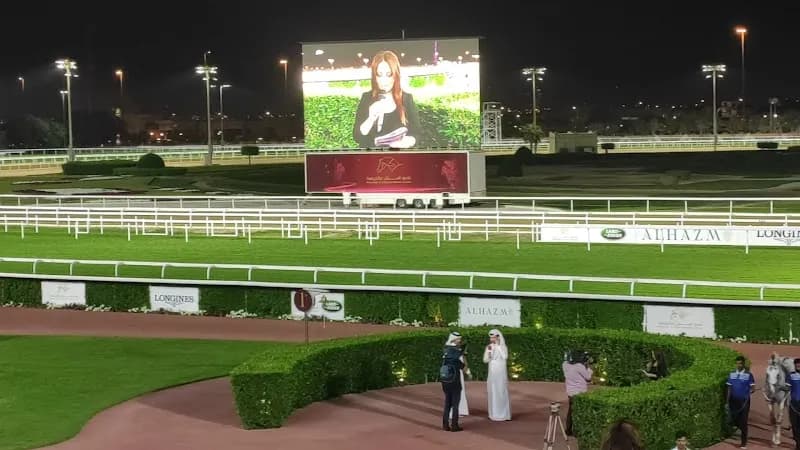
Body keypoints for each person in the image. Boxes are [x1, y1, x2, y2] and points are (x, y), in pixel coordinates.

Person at [353, 50, 421, 149]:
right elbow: (357, 136)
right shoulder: (367, 98)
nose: (383, 81)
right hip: (371, 159)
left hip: (400, 159)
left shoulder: (406, 99)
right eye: (379, 74)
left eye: (389, 74)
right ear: (374, 75)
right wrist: (371, 118)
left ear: (396, 75)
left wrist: (410, 141)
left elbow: (417, 133)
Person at [562, 350, 593, 437]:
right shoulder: (579, 366)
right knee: (578, 412)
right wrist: (589, 369)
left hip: (570, 392)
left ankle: (568, 430)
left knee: (571, 411)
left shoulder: (565, 365)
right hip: (579, 393)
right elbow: (588, 378)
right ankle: (576, 431)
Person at [727, 355, 755, 449]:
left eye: (740, 363)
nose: (738, 365)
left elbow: (753, 387)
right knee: (734, 418)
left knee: (743, 421)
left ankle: (743, 442)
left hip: (744, 401)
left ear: (743, 364)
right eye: (737, 363)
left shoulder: (749, 375)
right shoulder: (732, 374)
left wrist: (751, 390)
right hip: (733, 401)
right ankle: (738, 430)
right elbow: (729, 388)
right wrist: (727, 400)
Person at [483, 329, 511, 421]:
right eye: (490, 337)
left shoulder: (503, 347)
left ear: (498, 337)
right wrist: (489, 355)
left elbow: (505, 356)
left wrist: (498, 347)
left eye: (493, 337)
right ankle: (493, 414)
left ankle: (504, 414)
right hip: (492, 369)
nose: (491, 339)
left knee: (501, 390)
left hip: (501, 370)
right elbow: (485, 360)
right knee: (493, 390)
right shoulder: (489, 347)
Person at [441, 331, 465, 432]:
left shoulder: (445, 350)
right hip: (455, 381)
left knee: (447, 403)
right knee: (455, 404)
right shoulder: (456, 353)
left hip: (445, 381)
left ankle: (445, 425)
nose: (460, 341)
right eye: (458, 339)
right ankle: (454, 425)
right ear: (454, 339)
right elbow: (462, 366)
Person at [444, 331, 470, 417]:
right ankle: (453, 415)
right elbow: (459, 362)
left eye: (460, 339)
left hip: (456, 374)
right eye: (458, 339)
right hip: (453, 374)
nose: (459, 341)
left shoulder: (452, 348)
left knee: (457, 393)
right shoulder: (450, 349)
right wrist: (466, 370)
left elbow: (462, 358)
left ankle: (460, 411)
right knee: (453, 395)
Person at [787, 358, 800, 450]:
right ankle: (798, 443)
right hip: (794, 404)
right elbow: (786, 388)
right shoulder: (791, 376)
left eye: (799, 364)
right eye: (797, 364)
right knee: (794, 425)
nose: (798, 366)